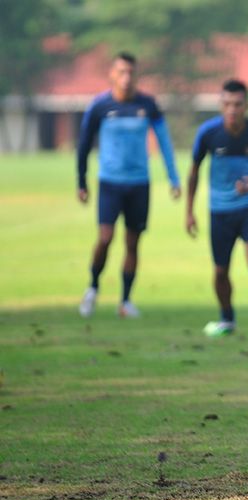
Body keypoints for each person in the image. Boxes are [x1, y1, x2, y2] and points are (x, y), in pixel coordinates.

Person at [76, 52, 181, 318]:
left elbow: (164, 142)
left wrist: (173, 177)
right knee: (105, 238)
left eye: (131, 72)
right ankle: (93, 287)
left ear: (137, 75)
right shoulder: (100, 106)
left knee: (133, 243)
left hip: (138, 184)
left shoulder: (147, 104)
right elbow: (84, 143)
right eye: (121, 72)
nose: (126, 78)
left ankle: (125, 300)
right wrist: (81, 180)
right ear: (112, 74)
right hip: (110, 183)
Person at [185, 79, 248, 338]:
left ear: (246, 105)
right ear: (220, 105)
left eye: (238, 104)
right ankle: (226, 319)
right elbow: (193, 172)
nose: (233, 110)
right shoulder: (208, 134)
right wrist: (189, 211)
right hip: (219, 211)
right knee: (220, 270)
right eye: (227, 104)